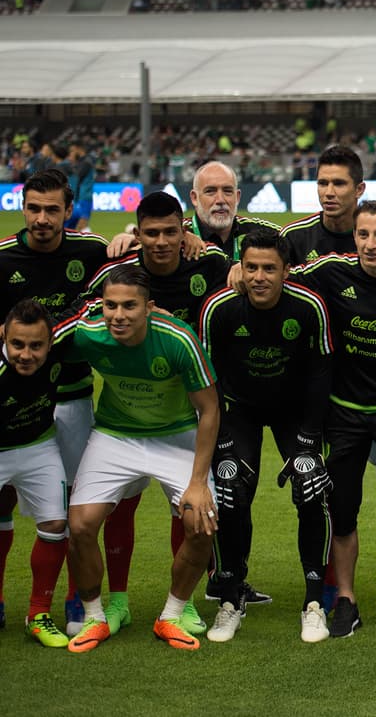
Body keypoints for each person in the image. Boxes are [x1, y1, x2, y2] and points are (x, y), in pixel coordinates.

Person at [81, 192, 230, 637]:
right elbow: (87, 316)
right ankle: (119, 600)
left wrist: (235, 264)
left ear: (185, 228)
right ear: (138, 231)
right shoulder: (119, 272)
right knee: (120, 509)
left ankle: (178, 606)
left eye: (171, 231)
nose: (162, 242)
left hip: (188, 417)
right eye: (151, 233)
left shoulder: (209, 264)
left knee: (185, 511)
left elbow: (250, 270)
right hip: (126, 418)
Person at [280, 144, 376, 624]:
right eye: (364, 235)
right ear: (354, 239)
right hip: (345, 412)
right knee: (342, 508)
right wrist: (239, 267)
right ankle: (346, 599)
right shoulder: (331, 269)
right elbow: (277, 273)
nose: (371, 243)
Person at [64, 265, 220, 653]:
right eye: (111, 306)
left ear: (149, 308)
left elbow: (211, 410)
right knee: (80, 526)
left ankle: (171, 613)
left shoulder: (178, 339)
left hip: (176, 436)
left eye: (129, 306)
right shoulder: (89, 333)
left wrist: (199, 483)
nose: (118, 315)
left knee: (202, 525)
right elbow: (37, 338)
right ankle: (95, 617)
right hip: (115, 436)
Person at [198, 230, 334, 643]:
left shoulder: (309, 307)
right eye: (251, 267)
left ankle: (314, 603)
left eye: (269, 268)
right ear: (240, 267)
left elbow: (320, 374)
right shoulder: (219, 309)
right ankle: (231, 594)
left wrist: (309, 440)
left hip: (295, 410)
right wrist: (222, 444)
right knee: (228, 489)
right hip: (238, 409)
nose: (259, 277)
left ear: (286, 270)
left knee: (313, 489)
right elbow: (209, 380)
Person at [0, 170, 108, 633]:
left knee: (72, 509)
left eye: (52, 210)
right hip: (12, 402)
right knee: (3, 503)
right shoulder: (4, 259)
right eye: (33, 209)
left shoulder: (92, 251)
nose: (42, 219)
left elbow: (142, 257)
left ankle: (71, 599)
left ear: (69, 211)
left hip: (74, 399)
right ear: (22, 209)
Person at [0, 300, 75, 647]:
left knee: (55, 525)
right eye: (17, 345)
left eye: (35, 346)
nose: (26, 355)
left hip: (38, 446)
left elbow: (95, 311)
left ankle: (38, 613)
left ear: (51, 341)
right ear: (4, 336)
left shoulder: (63, 341)